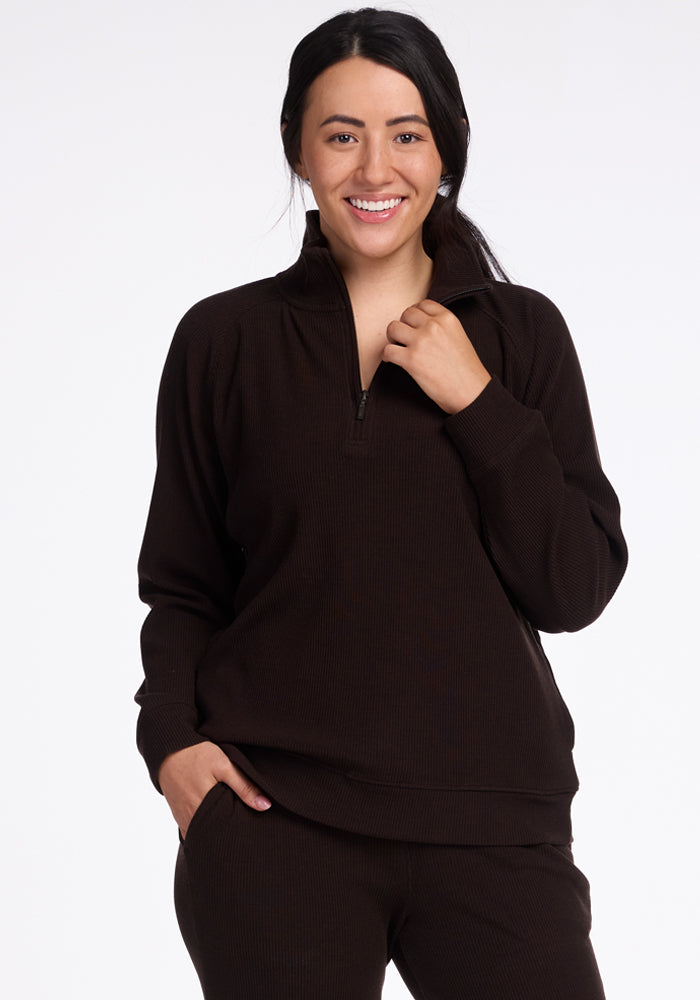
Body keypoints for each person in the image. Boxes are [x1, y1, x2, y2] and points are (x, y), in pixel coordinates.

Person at [135, 8, 627, 999]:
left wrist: (475, 399)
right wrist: (173, 745)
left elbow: (572, 585)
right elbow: (185, 585)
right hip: (276, 824)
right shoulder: (223, 342)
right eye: (341, 134)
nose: (374, 168)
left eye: (405, 134)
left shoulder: (521, 335)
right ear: (297, 149)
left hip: (494, 823)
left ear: (446, 150)